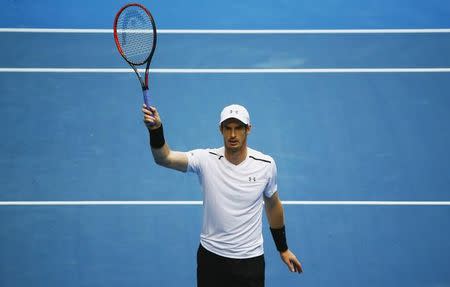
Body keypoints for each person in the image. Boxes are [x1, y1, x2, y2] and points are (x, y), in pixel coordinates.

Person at [142, 103, 303, 287]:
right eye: (227, 128)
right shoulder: (205, 159)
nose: (232, 135)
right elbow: (164, 158)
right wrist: (156, 130)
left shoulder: (265, 165)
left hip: (250, 261)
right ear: (221, 129)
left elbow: (273, 206)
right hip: (211, 259)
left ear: (248, 129)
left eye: (238, 128)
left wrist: (283, 248)